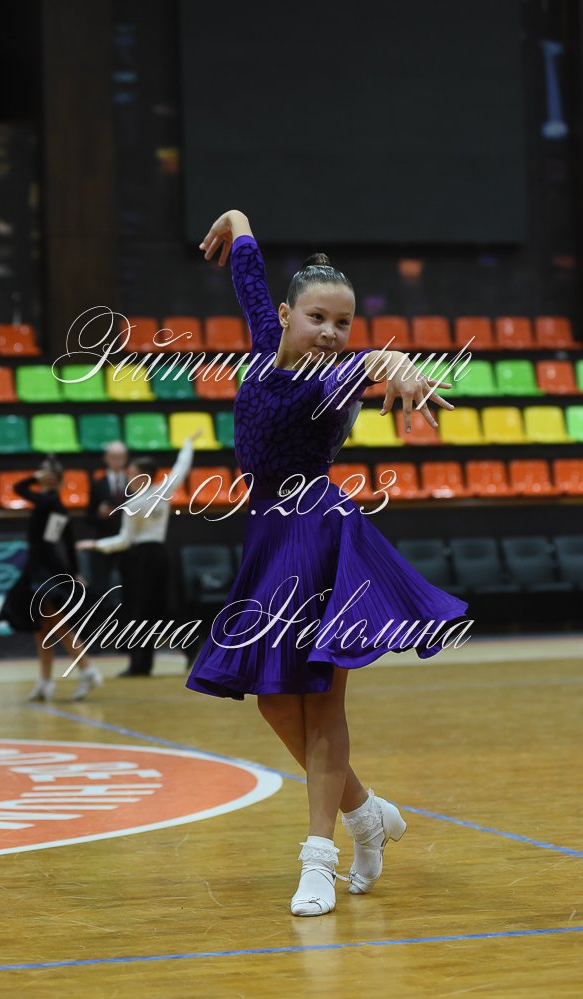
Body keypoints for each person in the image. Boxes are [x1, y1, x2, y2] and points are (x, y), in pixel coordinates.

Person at [186, 209, 470, 917]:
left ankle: (319, 857)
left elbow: (373, 364)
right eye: (318, 318)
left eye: (343, 323)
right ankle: (367, 814)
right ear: (286, 317)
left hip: (317, 535)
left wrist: (396, 364)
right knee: (274, 699)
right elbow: (248, 267)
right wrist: (236, 222)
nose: (331, 332)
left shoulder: (331, 380)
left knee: (320, 699)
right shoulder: (265, 344)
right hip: (268, 536)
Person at [77, 432, 200, 676]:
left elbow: (124, 541)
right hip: (160, 556)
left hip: (141, 559)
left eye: (132, 474)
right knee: (159, 607)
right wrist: (188, 444)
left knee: (140, 611)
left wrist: (96, 544)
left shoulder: (133, 504)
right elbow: (182, 467)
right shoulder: (163, 490)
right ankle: (188, 646)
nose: (128, 478)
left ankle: (140, 665)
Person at [0, 455, 103, 702]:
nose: (44, 479)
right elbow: (66, 541)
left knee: (56, 624)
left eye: (47, 476)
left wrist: (34, 478)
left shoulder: (47, 502)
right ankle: (46, 681)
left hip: (43, 571)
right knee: (41, 628)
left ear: (55, 480)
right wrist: (74, 571)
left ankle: (87, 669)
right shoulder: (57, 505)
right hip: (38, 568)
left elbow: (18, 488)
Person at [85, 440, 128, 605]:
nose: (117, 461)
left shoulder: (134, 484)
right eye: (113, 457)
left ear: (126, 458)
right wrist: (100, 515)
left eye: (120, 457)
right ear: (106, 458)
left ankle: (130, 618)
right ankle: (101, 618)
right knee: (100, 587)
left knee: (130, 585)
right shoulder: (98, 485)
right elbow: (89, 518)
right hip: (104, 540)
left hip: (128, 543)